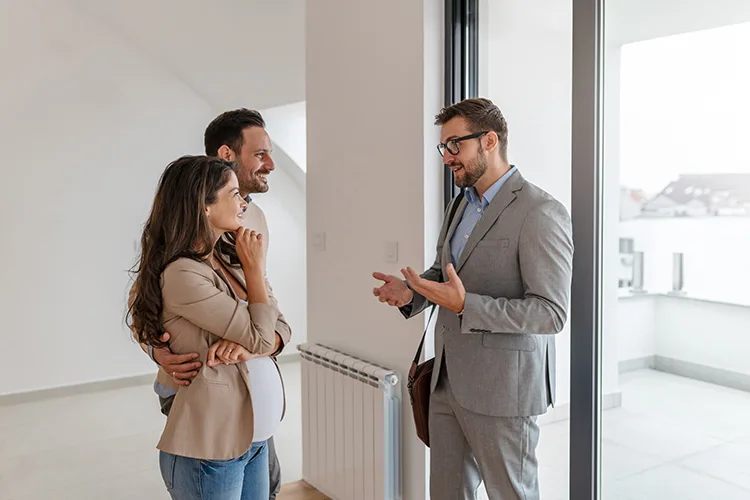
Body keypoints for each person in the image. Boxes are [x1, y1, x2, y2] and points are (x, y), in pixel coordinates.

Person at [372, 97, 573, 500]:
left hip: (504, 390)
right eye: (443, 147)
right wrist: (411, 291)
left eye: (454, 145)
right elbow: (445, 274)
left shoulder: (540, 211)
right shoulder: (459, 204)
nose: (446, 157)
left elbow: (551, 314)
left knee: (511, 494)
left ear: (489, 141)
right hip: (447, 382)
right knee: (446, 493)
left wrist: (467, 306)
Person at [146, 109, 291, 499]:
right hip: (213, 403)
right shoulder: (182, 264)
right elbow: (145, 302)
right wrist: (157, 346)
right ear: (227, 154)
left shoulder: (245, 226)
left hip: (253, 410)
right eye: (260, 154)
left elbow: (277, 321)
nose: (271, 165)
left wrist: (256, 342)